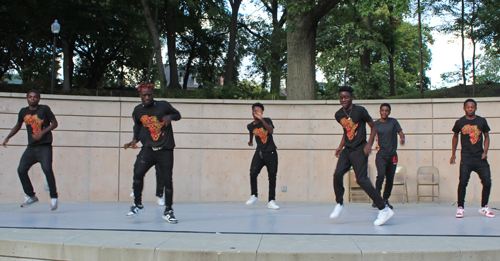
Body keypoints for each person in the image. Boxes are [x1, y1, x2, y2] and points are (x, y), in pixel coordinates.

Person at [329, 86, 394, 226]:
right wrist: (340, 147)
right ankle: (339, 204)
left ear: (352, 97)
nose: (344, 100)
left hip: (360, 149)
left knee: (362, 180)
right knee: (337, 174)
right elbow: (347, 131)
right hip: (347, 149)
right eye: (341, 97)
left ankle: (384, 209)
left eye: (346, 97)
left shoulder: (360, 111)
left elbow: (373, 127)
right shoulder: (338, 115)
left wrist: (369, 144)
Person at [124, 83, 181, 223]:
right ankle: (138, 204)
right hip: (149, 149)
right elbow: (137, 124)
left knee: (167, 180)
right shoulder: (137, 111)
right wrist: (135, 139)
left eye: (149, 94)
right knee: (138, 173)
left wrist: (170, 118)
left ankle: (169, 210)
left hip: (165, 150)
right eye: (144, 95)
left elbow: (178, 114)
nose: (147, 97)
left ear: (153, 94)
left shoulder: (163, 105)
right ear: (140, 96)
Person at [2, 90, 59, 210]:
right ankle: (31, 195)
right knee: (21, 170)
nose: (32, 99)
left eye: (35, 97)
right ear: (27, 98)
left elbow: (54, 123)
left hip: (44, 146)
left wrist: (41, 133)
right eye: (30, 97)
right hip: (31, 147)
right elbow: (18, 125)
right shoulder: (23, 111)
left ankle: (54, 197)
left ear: (39, 98)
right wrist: (8, 137)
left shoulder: (44, 109)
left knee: (47, 169)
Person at [450, 98, 494, 218]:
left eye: (472, 107)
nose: (470, 109)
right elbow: (455, 137)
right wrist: (453, 153)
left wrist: (485, 152)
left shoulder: (482, 121)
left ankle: (484, 207)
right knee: (463, 183)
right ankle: (460, 208)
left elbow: (486, 136)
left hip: (480, 157)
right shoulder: (460, 122)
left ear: (475, 108)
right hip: (466, 158)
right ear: (464, 108)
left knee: (487, 182)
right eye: (468, 107)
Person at [245, 102, 280, 210]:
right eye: (255, 111)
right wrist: (250, 141)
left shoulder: (267, 120)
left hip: (271, 153)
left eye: (259, 111)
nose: (256, 113)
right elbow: (251, 132)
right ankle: (254, 195)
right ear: (252, 112)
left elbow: (270, 131)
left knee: (272, 177)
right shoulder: (250, 126)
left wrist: (262, 119)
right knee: (252, 173)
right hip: (259, 153)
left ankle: (271, 201)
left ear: (262, 112)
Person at [373, 103, 405, 209]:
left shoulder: (393, 122)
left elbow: (401, 133)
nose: (384, 112)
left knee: (390, 178)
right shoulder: (376, 124)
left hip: (392, 155)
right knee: (381, 175)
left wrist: (402, 138)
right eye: (382, 110)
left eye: (386, 110)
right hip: (381, 154)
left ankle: (385, 199)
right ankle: (376, 199)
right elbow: (372, 137)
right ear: (380, 111)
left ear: (389, 112)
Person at [130, 126, 166, 206]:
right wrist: (135, 139)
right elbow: (137, 128)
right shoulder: (141, 118)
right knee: (138, 167)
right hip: (147, 148)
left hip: (159, 148)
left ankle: (160, 195)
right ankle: (135, 189)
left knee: (160, 172)